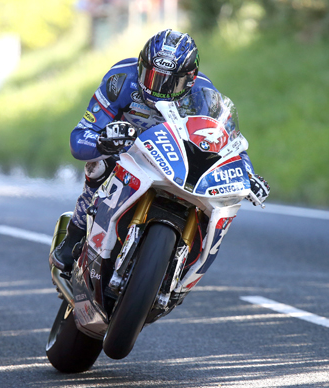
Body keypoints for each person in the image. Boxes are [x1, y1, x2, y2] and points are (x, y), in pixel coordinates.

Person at [50, 29, 270, 277]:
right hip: (126, 151)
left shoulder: (205, 96)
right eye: (151, 76)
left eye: (170, 82)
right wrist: (102, 141)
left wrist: (247, 174)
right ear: (140, 65)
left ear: (189, 80)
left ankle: (183, 264)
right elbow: (81, 135)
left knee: (214, 199)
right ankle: (75, 236)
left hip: (174, 161)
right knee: (96, 166)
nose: (157, 89)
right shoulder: (121, 78)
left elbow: (229, 143)